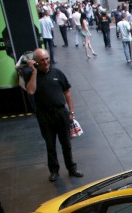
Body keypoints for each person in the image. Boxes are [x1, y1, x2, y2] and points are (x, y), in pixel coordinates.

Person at [25, 48, 83, 182]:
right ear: (36, 62)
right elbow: (30, 91)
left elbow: (67, 92)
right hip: (44, 115)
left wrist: (71, 111)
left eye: (47, 59)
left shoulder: (57, 73)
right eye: (42, 60)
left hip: (61, 113)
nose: (46, 62)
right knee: (50, 145)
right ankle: (54, 171)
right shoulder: (32, 75)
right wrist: (33, 71)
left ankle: (72, 168)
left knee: (66, 143)